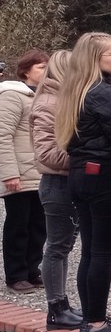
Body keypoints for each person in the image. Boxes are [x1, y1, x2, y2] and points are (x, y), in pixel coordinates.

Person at [56, 32, 111, 332]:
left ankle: (91, 318)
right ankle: (97, 323)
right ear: (95, 58)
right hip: (106, 178)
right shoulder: (101, 93)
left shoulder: (74, 90)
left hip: (81, 175)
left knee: (90, 251)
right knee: (101, 253)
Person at [32, 51, 81, 329]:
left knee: (64, 246)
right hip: (57, 183)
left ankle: (62, 304)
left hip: (68, 181)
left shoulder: (65, 100)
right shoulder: (48, 103)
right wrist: (84, 157)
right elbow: (47, 153)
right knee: (57, 247)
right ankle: (56, 308)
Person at [0, 49, 47, 294]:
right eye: (41, 67)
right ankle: (16, 274)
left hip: (40, 171)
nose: (46, 71)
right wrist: (10, 173)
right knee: (19, 225)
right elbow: (2, 136)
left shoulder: (43, 95)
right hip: (19, 172)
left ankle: (32, 270)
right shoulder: (12, 95)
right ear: (26, 70)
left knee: (39, 224)